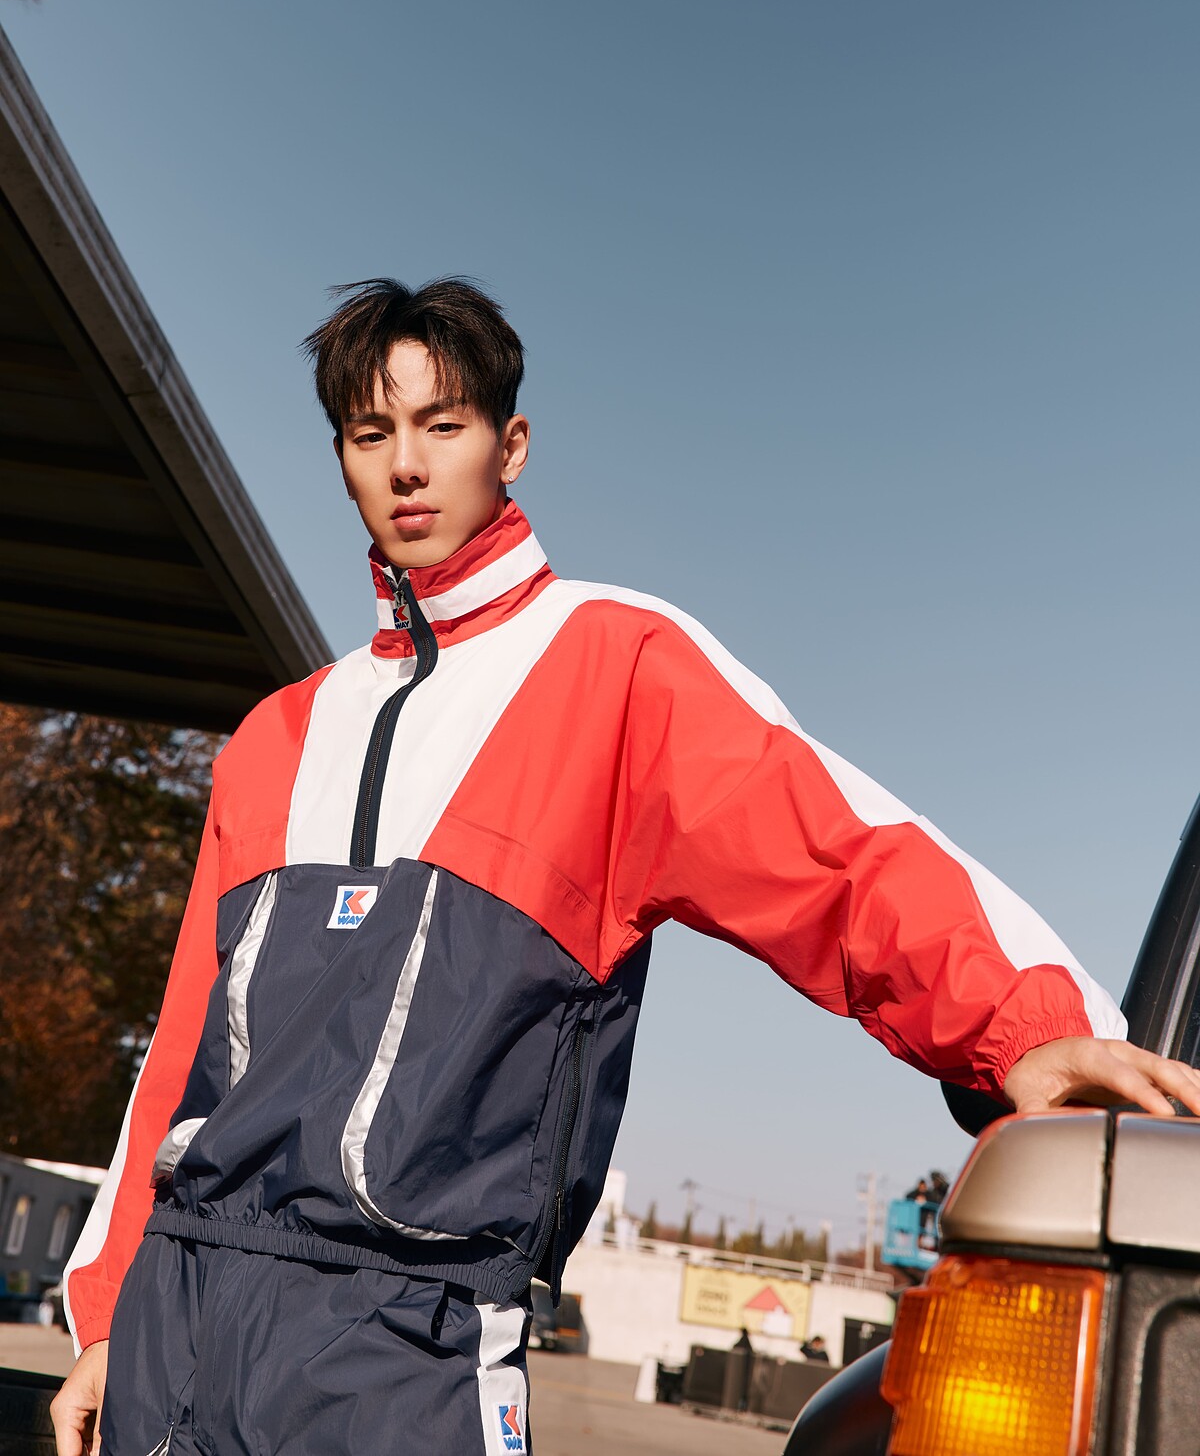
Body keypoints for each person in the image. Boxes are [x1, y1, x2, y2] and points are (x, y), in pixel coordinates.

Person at [52, 278, 1200, 1456]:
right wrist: (104, 1316)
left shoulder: (614, 668)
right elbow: (181, 1051)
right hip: (177, 1332)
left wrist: (1021, 1028)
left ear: (511, 445)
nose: (407, 464)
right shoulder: (273, 739)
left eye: (443, 424)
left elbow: (836, 857)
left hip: (406, 1345)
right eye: (369, 432)